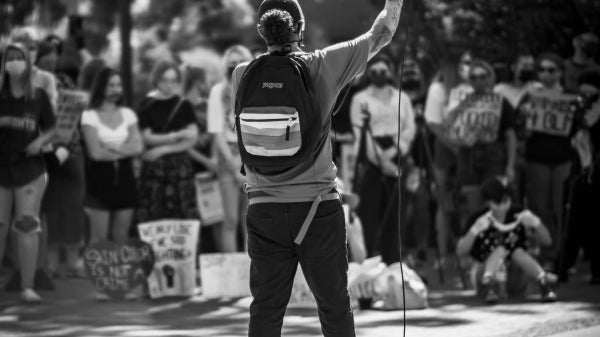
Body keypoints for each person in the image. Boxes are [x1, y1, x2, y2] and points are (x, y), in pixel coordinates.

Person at [231, 0, 405, 335]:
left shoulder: (241, 75)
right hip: (317, 210)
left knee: (266, 308)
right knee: (334, 306)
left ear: (261, 32)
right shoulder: (322, 65)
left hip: (263, 210)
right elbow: (381, 32)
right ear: (300, 28)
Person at [0, 43, 57, 303]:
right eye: (9, 58)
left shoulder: (40, 96)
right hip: (1, 169)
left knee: (26, 225)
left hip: (30, 170)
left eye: (19, 58)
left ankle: (27, 285)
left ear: (28, 62)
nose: (14, 62)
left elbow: (54, 129)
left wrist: (41, 141)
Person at [350, 54, 415, 265]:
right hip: (371, 160)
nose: (379, 75)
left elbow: (409, 128)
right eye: (375, 72)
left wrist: (396, 152)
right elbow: (360, 133)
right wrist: (380, 159)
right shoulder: (360, 98)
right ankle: (369, 266)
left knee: (396, 219)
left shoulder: (402, 98)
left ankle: (394, 264)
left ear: (391, 73)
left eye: (383, 72)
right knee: (369, 217)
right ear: (369, 73)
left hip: (397, 156)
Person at [456, 177, 557, 303]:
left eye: (505, 202)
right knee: (500, 250)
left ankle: (543, 282)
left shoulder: (517, 214)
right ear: (488, 202)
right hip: (483, 277)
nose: (501, 207)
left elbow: (547, 241)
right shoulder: (478, 218)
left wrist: (536, 223)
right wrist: (475, 230)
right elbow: (460, 251)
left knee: (518, 252)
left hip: (515, 279)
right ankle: (490, 285)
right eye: (496, 203)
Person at [520, 53, 573, 272]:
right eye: (542, 70)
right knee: (542, 208)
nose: (546, 74)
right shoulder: (530, 95)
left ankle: (562, 256)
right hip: (537, 159)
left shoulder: (570, 96)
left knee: (562, 208)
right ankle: (547, 254)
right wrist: (525, 117)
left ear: (560, 72)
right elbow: (519, 127)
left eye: (551, 70)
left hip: (564, 158)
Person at [38, 40, 87, 278]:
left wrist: (66, 146)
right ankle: (52, 263)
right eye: (44, 59)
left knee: (74, 207)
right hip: (44, 155)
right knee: (50, 208)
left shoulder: (65, 81)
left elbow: (75, 116)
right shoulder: (28, 84)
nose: (50, 62)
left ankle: (73, 261)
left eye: (52, 58)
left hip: (71, 152)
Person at [447, 59, 517, 219]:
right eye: (474, 77)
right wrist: (460, 141)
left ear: (491, 77)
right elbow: (449, 129)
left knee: (494, 202)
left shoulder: (501, 102)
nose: (479, 80)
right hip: (467, 155)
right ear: (469, 81)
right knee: (470, 204)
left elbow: (510, 134)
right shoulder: (460, 102)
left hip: (494, 155)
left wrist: (510, 165)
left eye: (483, 76)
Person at [81, 68, 143, 247]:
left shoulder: (128, 114)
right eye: (110, 85)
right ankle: (96, 275)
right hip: (99, 179)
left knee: (121, 234)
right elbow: (96, 154)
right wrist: (125, 148)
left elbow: (138, 147)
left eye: (118, 85)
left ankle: (122, 273)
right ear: (101, 87)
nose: (116, 89)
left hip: (125, 177)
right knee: (99, 238)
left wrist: (110, 146)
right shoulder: (89, 116)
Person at [424, 51, 473, 267]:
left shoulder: (471, 88)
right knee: (443, 203)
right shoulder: (437, 88)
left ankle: (465, 255)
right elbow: (433, 124)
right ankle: (443, 255)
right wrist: (454, 146)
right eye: (462, 63)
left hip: (468, 150)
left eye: (469, 63)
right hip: (444, 150)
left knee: (467, 201)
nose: (466, 67)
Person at [136, 61, 199, 223]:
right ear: (156, 80)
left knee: (183, 214)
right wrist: (177, 135)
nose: (169, 85)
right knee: (153, 214)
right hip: (154, 168)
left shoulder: (184, 105)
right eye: (164, 80)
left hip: (179, 168)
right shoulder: (146, 105)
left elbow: (192, 139)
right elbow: (147, 137)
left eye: (173, 81)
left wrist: (163, 149)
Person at [207, 45, 253, 252]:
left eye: (239, 63)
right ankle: (230, 272)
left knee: (249, 219)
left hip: (251, 154)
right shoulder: (218, 91)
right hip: (227, 154)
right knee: (230, 218)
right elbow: (216, 132)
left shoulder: (254, 90)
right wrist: (234, 164)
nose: (234, 67)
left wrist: (244, 161)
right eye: (231, 63)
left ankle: (249, 270)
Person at [559, 70, 600, 284]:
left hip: (596, 173)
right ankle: (563, 265)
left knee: (595, 223)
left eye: (590, 86)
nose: (585, 91)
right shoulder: (576, 109)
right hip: (578, 173)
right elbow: (567, 135)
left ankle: (597, 269)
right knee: (572, 220)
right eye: (582, 86)